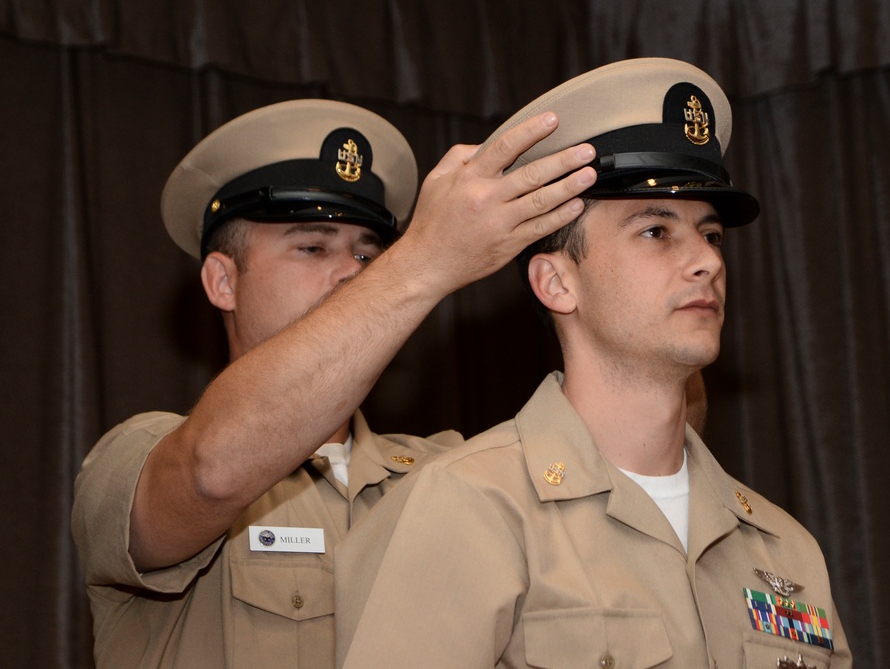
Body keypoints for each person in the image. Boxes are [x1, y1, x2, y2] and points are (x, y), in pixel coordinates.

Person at [335, 59, 853, 668]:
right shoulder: (468, 508)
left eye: (711, 235)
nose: (706, 262)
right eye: (656, 231)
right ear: (556, 282)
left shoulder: (784, 549)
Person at [71, 98, 597, 667]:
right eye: (313, 246)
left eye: (369, 254)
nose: (352, 269)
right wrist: (424, 260)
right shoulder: (134, 455)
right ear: (223, 280)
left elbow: (622, 473)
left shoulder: (452, 470)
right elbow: (211, 472)